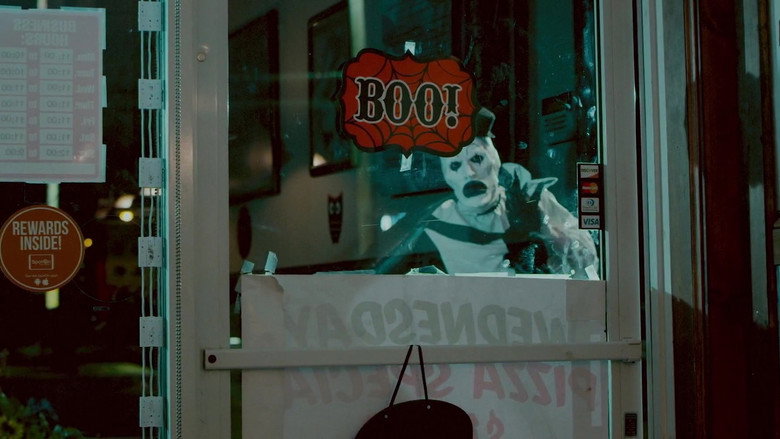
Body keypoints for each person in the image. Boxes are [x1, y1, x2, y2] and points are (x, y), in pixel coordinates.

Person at [375, 108, 598, 276]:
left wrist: (563, 241)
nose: (469, 173)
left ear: (493, 160)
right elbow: (386, 270)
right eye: (456, 165)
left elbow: (584, 258)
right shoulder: (436, 217)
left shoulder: (527, 198)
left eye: (477, 159)